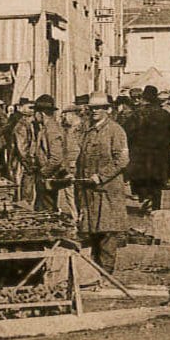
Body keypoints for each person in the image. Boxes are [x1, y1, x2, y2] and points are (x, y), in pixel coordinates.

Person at [74, 91, 130, 272]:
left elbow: (122, 160)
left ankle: (106, 273)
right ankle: (95, 272)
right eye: (92, 108)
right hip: (90, 191)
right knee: (93, 231)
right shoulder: (89, 130)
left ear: (108, 110)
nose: (95, 111)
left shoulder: (115, 131)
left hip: (107, 191)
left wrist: (101, 176)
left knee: (107, 232)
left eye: (99, 108)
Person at [126, 85, 170, 210]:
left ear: (144, 98)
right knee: (156, 180)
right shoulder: (164, 113)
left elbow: (129, 133)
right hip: (160, 152)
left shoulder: (137, 113)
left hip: (140, 152)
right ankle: (155, 206)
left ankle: (145, 199)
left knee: (142, 177)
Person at [30, 94, 69, 212]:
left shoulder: (51, 129)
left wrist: (44, 173)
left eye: (35, 113)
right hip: (46, 174)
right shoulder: (46, 128)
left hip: (48, 175)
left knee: (46, 208)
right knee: (42, 205)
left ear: (41, 113)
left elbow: (56, 158)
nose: (34, 116)